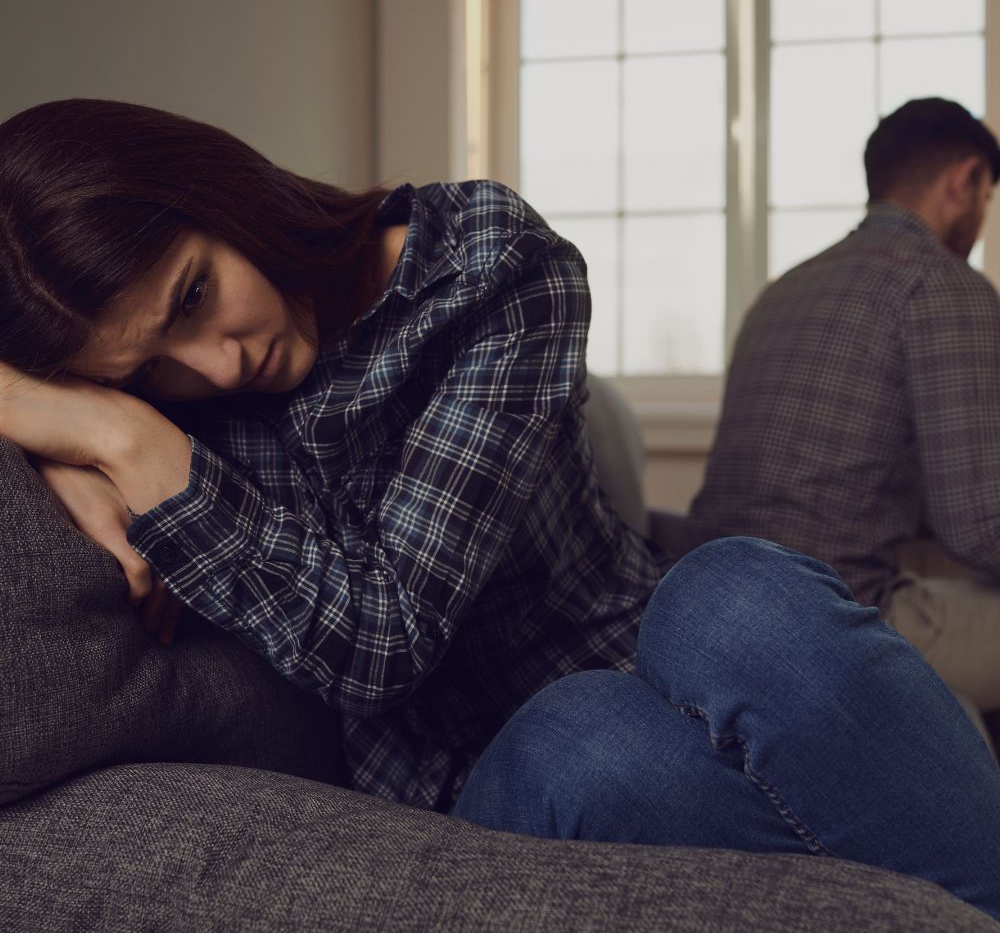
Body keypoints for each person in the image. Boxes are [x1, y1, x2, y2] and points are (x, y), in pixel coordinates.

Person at [0, 99, 997, 920]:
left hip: (641, 667)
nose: (215, 363)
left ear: (214, 186)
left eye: (193, 297)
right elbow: (374, 650)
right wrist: (109, 434)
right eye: (149, 373)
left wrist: (104, 429)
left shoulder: (481, 263)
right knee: (580, 735)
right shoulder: (165, 430)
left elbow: (389, 605)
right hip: (468, 788)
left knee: (735, 589)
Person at [681, 97, 1000, 741]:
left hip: (713, 609)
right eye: (988, 196)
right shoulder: (945, 286)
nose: (984, 218)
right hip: (841, 617)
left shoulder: (782, 290)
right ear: (964, 180)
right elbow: (980, 527)